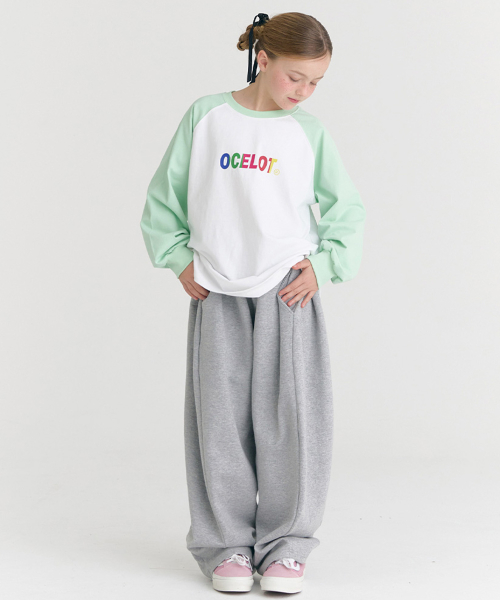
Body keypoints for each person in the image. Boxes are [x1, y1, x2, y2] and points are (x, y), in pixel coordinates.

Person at [140, 11, 366, 594]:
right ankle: (227, 545)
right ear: (263, 60)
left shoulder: (308, 132)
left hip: (286, 290)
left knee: (293, 421)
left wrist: (324, 265)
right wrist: (178, 257)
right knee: (219, 423)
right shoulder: (207, 117)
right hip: (217, 286)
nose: (304, 91)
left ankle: (288, 546)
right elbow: (164, 196)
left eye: (316, 82)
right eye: (295, 77)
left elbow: (346, 209)